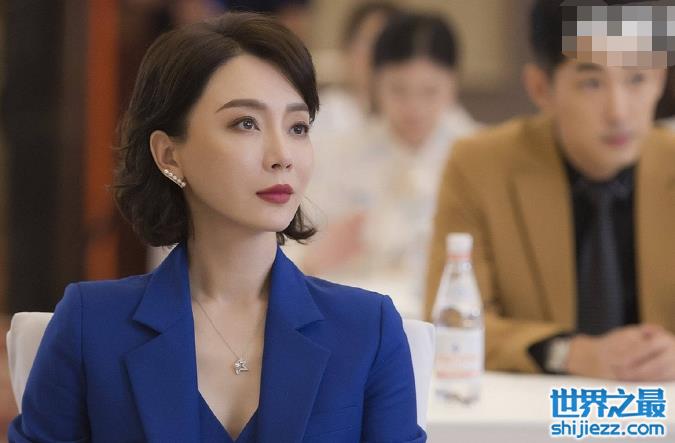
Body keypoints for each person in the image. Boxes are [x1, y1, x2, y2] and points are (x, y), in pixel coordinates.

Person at [9, 13, 426, 442]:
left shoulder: (368, 329)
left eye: (298, 127)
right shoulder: (90, 324)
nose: (282, 155)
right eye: (246, 123)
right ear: (169, 154)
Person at [425, 0, 675, 381]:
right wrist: (572, 353)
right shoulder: (479, 165)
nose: (619, 111)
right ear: (541, 88)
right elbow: (451, 322)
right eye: (592, 82)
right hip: (538, 408)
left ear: (659, 78)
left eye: (637, 78)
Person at [299, 13, 479, 318]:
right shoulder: (339, 153)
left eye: (430, 91)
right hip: (354, 311)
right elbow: (299, 246)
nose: (414, 108)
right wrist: (315, 257)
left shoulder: (476, 155)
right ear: (375, 82)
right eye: (398, 90)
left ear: (453, 83)